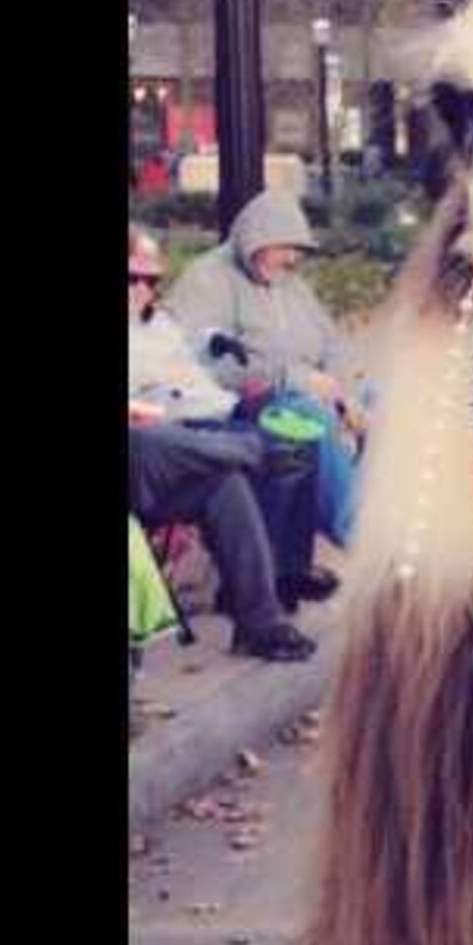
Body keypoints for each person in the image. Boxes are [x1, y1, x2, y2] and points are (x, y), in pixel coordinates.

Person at [127, 234, 316, 661]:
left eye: (151, 281)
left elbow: (188, 364)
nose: (142, 290)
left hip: (171, 451)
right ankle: (259, 450)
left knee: (224, 483)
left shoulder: (156, 324)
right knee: (148, 435)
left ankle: (260, 625)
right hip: (143, 447)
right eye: (131, 279)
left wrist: (216, 348)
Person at [161, 190, 364, 552]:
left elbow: (332, 342)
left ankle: (394, 521)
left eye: (298, 249)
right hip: (244, 406)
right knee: (309, 417)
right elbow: (201, 360)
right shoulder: (209, 278)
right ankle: (362, 538)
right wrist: (296, 379)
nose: (292, 259)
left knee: (382, 400)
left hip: (305, 392)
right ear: (256, 239)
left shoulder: (289, 284)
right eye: (285, 247)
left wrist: (343, 391)